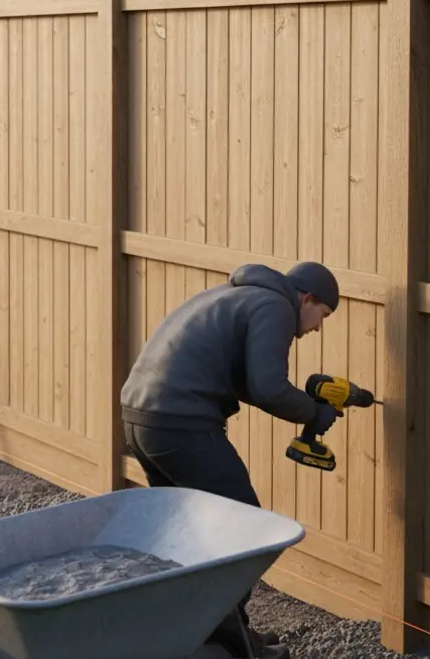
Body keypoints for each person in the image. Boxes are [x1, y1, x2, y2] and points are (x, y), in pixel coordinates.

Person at [120, 261, 344, 659]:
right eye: (322, 315)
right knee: (243, 528)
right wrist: (314, 413)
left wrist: (307, 405)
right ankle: (233, 645)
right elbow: (268, 388)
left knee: (193, 535)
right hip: (181, 424)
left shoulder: (234, 296)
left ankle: (208, 635)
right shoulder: (275, 308)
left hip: (141, 419)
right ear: (307, 299)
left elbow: (246, 382)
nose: (317, 328)